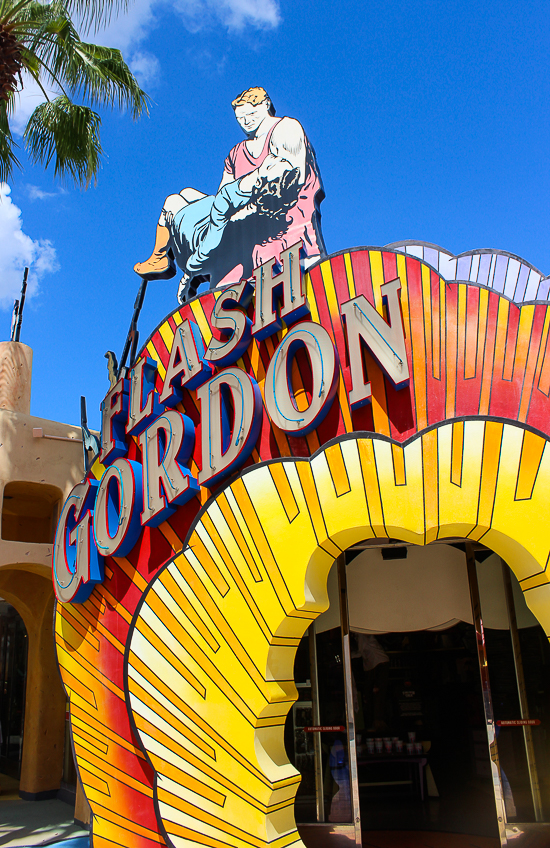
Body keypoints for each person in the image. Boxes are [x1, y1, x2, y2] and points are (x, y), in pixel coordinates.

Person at [134, 87, 325, 302]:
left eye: (251, 114)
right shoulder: (236, 154)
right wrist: (193, 270)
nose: (246, 122)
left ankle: (170, 258)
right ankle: (160, 258)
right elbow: (221, 204)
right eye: (240, 118)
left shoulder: (286, 128)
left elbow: (288, 173)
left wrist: (234, 198)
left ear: (266, 105)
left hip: (287, 249)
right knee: (177, 199)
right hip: (238, 257)